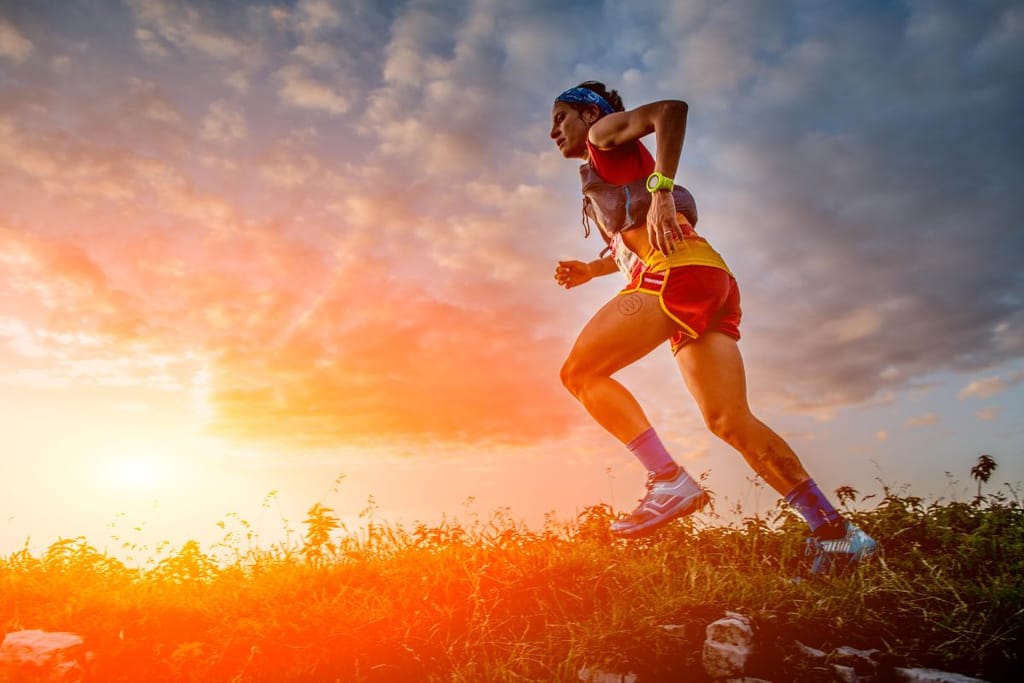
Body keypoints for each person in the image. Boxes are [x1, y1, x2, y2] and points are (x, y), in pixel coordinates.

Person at [549, 81, 876, 573]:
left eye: (560, 117)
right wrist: (589, 269)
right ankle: (836, 535)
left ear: (589, 113)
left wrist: (661, 190)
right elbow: (630, 244)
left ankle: (667, 479)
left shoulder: (604, 134)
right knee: (729, 420)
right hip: (709, 277)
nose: (553, 130)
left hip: (674, 274)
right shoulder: (607, 169)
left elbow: (669, 110)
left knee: (579, 373)